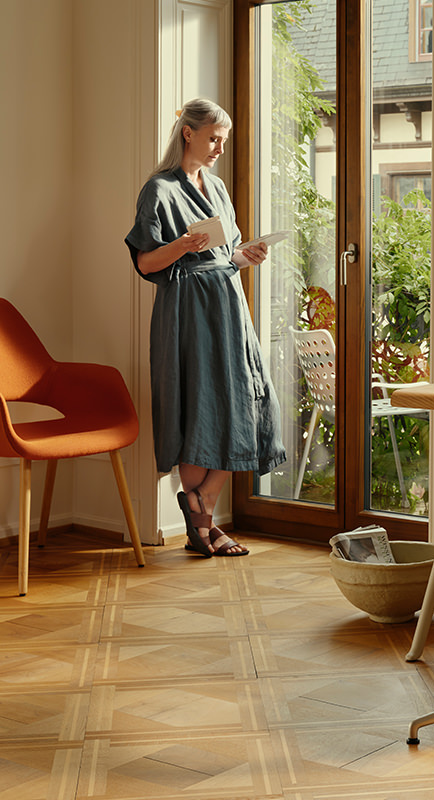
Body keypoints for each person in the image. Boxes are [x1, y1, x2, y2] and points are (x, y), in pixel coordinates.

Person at [125, 98, 287, 557]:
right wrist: (181, 245)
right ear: (188, 133)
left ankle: (201, 505)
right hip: (186, 309)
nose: (219, 147)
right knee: (199, 401)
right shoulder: (158, 190)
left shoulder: (216, 189)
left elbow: (225, 254)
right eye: (214, 138)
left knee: (247, 401)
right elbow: (145, 260)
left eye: (224, 140)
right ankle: (204, 522)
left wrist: (245, 256)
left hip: (228, 305)